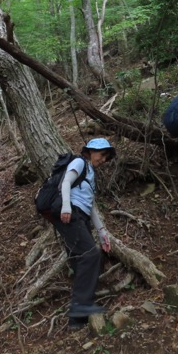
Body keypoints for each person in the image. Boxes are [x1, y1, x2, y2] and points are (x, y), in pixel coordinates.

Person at [53, 138, 116, 329]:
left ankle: (76, 320)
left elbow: (91, 206)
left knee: (81, 259)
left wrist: (102, 232)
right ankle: (80, 308)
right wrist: (66, 207)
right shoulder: (80, 162)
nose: (103, 159)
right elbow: (65, 182)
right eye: (101, 154)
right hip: (71, 213)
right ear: (90, 151)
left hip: (80, 215)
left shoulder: (90, 174)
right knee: (91, 255)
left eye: (106, 156)